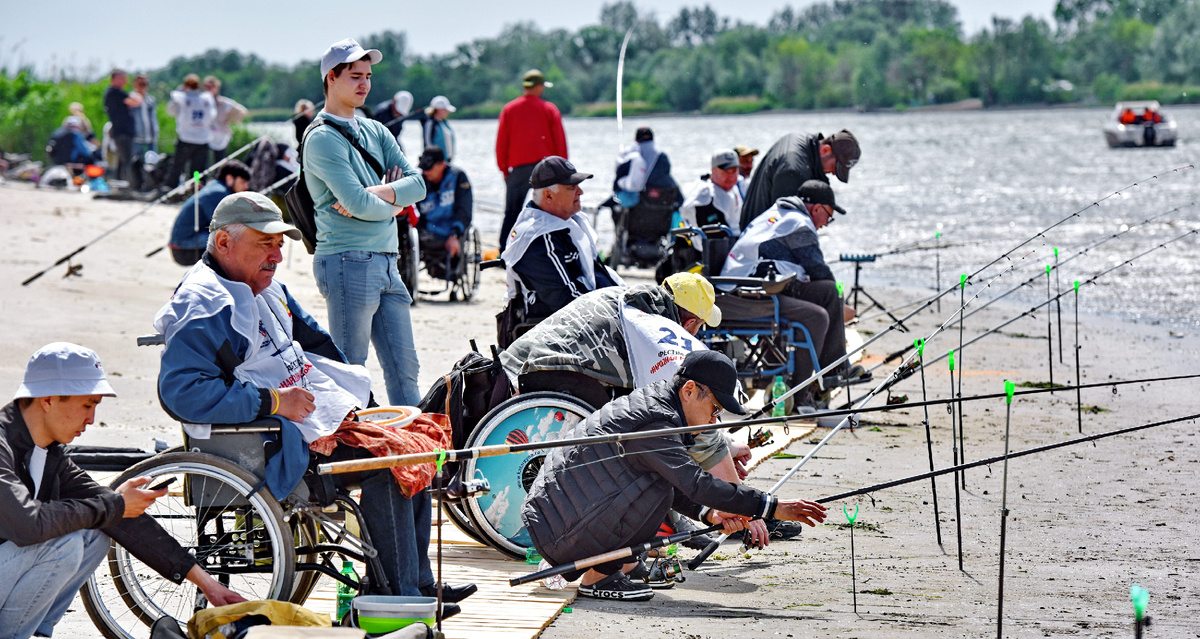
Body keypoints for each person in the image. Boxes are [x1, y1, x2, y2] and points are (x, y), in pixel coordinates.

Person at [154, 192, 475, 610]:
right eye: (264, 244)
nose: (277, 257)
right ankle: (398, 595)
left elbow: (319, 344)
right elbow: (182, 393)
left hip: (311, 417)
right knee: (386, 462)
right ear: (223, 244)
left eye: (280, 245)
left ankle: (415, 581)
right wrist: (272, 402)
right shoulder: (205, 303)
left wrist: (364, 405)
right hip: (268, 437)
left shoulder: (266, 288)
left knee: (415, 435)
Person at [522, 350, 828, 601]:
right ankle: (598, 578)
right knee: (658, 490)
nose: (713, 420)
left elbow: (684, 483)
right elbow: (696, 484)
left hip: (557, 517)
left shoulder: (659, 403)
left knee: (660, 484)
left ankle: (617, 567)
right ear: (690, 389)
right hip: (561, 529)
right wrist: (770, 506)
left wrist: (711, 514)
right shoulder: (656, 423)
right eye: (715, 408)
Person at [0, 343, 244, 637]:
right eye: (87, 405)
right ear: (48, 399)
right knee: (64, 543)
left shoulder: (51, 454)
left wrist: (207, 583)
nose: (90, 420)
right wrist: (114, 506)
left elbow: (115, 513)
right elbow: (28, 524)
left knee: (96, 530)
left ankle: (38, 632)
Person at [302, 38, 426, 407]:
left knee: (405, 368)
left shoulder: (377, 129)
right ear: (331, 78)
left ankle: (416, 454)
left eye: (368, 76)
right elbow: (355, 202)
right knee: (349, 369)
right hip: (346, 258)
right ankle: (350, 453)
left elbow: (418, 184)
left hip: (388, 259)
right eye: (355, 75)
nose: (365, 84)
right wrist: (394, 200)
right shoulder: (321, 137)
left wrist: (378, 195)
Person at [721, 180, 866, 403]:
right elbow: (817, 268)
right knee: (817, 315)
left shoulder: (777, 214)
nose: (826, 223)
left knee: (830, 292)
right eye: (828, 216)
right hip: (750, 295)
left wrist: (838, 298)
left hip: (754, 284)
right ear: (817, 208)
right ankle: (799, 395)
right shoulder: (798, 223)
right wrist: (843, 306)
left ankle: (834, 370)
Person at [500, 156, 621, 323]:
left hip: (585, 314)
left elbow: (597, 273)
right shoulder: (538, 237)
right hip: (554, 327)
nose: (580, 192)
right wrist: (617, 311)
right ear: (548, 196)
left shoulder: (568, 223)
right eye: (572, 187)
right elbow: (565, 300)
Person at [495, 69, 568, 250]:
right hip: (545, 170)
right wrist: (563, 171)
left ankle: (505, 249)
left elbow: (501, 142)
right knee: (549, 211)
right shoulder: (549, 109)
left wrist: (504, 169)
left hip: (517, 169)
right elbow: (560, 141)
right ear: (539, 87)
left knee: (511, 212)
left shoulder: (509, 109)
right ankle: (549, 247)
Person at [739, 130, 860, 230]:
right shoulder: (793, 171)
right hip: (759, 241)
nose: (833, 173)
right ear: (825, 150)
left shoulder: (801, 139)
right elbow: (787, 227)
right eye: (835, 167)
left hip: (752, 228)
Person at [167, 160, 251, 266]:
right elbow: (224, 225)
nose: (246, 187)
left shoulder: (216, 188)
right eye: (243, 182)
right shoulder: (218, 193)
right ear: (230, 179)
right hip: (184, 247)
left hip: (183, 242)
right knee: (234, 240)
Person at [414, 146, 472, 281]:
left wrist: (455, 235)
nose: (426, 172)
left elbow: (464, 209)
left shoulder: (458, 177)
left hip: (451, 229)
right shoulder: (420, 181)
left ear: (441, 165)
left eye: (429, 169)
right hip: (427, 232)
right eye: (423, 169)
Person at [165, 74, 217, 189]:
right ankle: (197, 187)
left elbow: (170, 111)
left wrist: (179, 92)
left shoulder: (181, 97)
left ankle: (170, 188)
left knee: (178, 166)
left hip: (186, 138)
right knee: (198, 169)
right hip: (202, 139)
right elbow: (212, 116)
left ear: (185, 85)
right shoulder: (206, 98)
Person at [679, 148, 746, 234]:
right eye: (726, 171)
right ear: (713, 171)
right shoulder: (704, 194)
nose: (731, 176)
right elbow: (686, 211)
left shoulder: (736, 186)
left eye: (734, 171)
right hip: (715, 244)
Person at [103, 69, 141, 183]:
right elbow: (137, 101)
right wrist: (137, 91)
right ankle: (126, 183)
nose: (126, 81)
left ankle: (120, 182)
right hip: (121, 131)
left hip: (123, 131)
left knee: (122, 159)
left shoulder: (116, 92)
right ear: (116, 78)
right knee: (127, 159)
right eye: (123, 78)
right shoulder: (114, 92)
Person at [204, 76, 248, 164]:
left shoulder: (224, 103)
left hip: (221, 138)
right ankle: (196, 178)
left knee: (220, 163)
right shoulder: (200, 101)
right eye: (208, 87)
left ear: (217, 88)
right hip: (204, 137)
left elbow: (243, 111)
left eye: (212, 87)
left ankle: (218, 178)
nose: (210, 89)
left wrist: (230, 119)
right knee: (199, 165)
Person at [130, 74, 159, 192]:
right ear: (135, 84)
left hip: (150, 137)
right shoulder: (131, 98)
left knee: (152, 163)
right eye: (141, 84)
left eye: (145, 84)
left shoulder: (150, 99)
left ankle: (151, 185)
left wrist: (155, 133)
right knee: (136, 163)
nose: (143, 86)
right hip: (137, 137)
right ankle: (137, 185)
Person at [420, 96, 456, 162]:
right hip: (435, 162)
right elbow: (427, 142)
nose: (448, 112)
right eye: (445, 110)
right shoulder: (430, 123)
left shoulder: (444, 123)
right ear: (439, 110)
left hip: (446, 161)